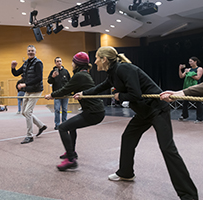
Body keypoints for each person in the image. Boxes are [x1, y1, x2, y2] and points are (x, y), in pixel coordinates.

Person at [73, 46, 198, 200]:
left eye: (97, 58)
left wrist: (119, 96)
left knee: (167, 149)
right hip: (144, 112)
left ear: (105, 59)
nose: (96, 61)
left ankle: (189, 195)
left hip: (157, 109)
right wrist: (83, 94)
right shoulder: (113, 73)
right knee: (128, 138)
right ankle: (126, 173)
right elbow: (101, 87)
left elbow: (135, 94)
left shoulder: (124, 69)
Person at [45, 52, 105, 171]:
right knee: (71, 126)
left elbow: (66, 89)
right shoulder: (83, 74)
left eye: (73, 61)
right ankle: (71, 151)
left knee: (62, 127)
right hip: (94, 111)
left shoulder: (80, 76)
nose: (71, 64)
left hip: (94, 113)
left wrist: (52, 95)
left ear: (76, 64)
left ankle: (71, 159)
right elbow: (70, 89)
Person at [11, 45, 47, 144]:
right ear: (27, 52)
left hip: (36, 90)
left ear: (35, 52)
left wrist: (25, 84)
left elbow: (39, 78)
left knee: (28, 112)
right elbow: (16, 73)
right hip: (28, 90)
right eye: (29, 51)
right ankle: (41, 125)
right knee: (24, 112)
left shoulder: (38, 63)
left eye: (32, 51)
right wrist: (13, 68)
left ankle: (29, 136)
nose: (30, 52)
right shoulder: (26, 63)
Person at [47, 57, 71, 130]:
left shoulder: (66, 71)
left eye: (60, 61)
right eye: (57, 61)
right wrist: (52, 77)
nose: (59, 62)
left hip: (65, 94)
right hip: (57, 94)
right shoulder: (52, 72)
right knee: (57, 109)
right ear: (55, 63)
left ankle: (64, 123)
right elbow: (49, 81)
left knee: (64, 109)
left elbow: (70, 82)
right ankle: (57, 124)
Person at [178, 57, 203, 123]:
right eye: (189, 61)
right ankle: (184, 116)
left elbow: (197, 78)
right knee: (185, 103)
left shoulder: (199, 69)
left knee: (198, 103)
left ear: (195, 62)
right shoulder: (188, 69)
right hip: (188, 87)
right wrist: (180, 69)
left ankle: (199, 118)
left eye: (191, 61)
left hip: (196, 87)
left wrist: (189, 73)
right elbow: (181, 76)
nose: (190, 63)